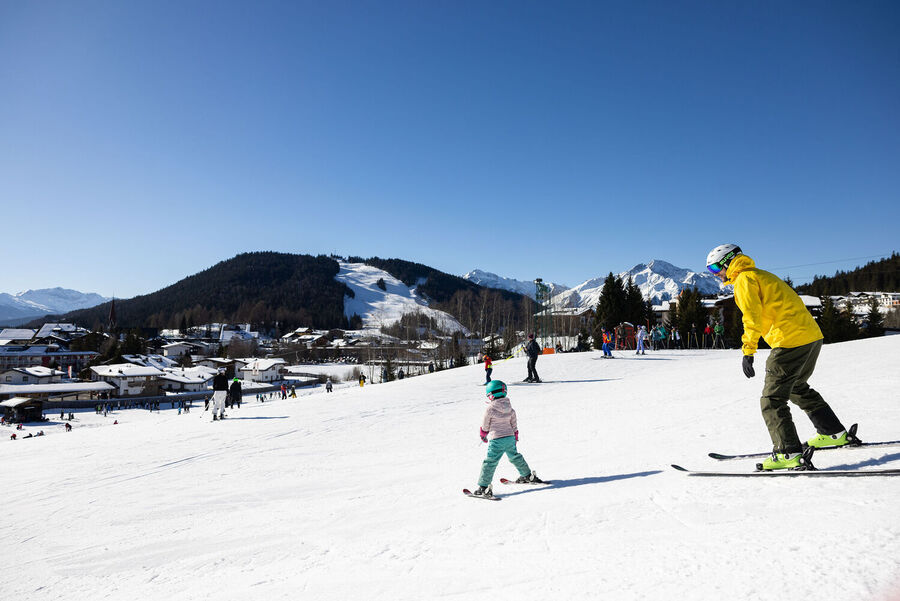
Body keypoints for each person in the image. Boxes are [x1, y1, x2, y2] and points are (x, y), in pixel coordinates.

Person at [706, 244, 854, 471]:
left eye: (716, 268)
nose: (717, 274)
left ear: (728, 261)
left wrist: (748, 351)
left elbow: (751, 318)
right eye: (711, 271)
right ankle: (832, 432)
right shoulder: (761, 275)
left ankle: (787, 452)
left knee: (772, 400)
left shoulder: (745, 280)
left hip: (789, 341)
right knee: (796, 387)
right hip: (811, 337)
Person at [472, 380, 543, 498]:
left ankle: (483, 487)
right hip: (509, 438)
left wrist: (483, 434)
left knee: (490, 462)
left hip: (497, 440)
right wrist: (515, 434)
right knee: (515, 456)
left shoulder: (490, 409)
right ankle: (527, 475)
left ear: (491, 395)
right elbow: (513, 423)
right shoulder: (509, 407)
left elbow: (486, 424)